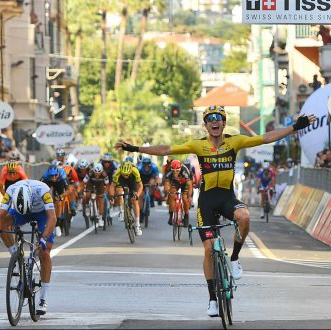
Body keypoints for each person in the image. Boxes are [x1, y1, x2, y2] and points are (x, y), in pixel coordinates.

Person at [115, 105, 315, 317]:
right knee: (209, 249)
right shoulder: (198, 145)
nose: (215, 122)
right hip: (207, 202)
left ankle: (235, 258)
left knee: (244, 217)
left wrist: (295, 127)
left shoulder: (235, 141)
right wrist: (134, 149)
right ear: (205, 125)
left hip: (227, 198)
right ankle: (212, 298)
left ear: (224, 123)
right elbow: (166, 150)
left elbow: (266, 138)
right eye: (210, 119)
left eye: (219, 118)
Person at [0, 179, 56, 315]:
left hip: (41, 213)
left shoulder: (43, 190)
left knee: (45, 252)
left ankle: (43, 299)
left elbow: (52, 217)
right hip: (20, 211)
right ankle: (16, 255)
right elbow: (0, 215)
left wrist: (43, 238)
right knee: (2, 226)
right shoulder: (11, 191)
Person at [109, 161, 144, 236]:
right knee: (119, 192)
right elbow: (112, 186)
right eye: (124, 174)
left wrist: (137, 194)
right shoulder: (118, 173)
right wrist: (111, 197)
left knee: (135, 201)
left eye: (127, 174)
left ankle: (137, 225)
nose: (125, 176)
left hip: (132, 181)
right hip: (121, 181)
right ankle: (121, 211)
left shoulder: (135, 171)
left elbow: (141, 186)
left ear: (130, 171)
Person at [40, 165, 70, 236]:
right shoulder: (45, 176)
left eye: (55, 175)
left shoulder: (62, 175)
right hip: (49, 183)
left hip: (60, 183)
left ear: (58, 174)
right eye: (51, 176)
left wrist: (60, 196)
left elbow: (68, 190)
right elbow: (39, 188)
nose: (53, 178)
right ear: (48, 174)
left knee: (58, 202)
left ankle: (57, 224)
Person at [164, 159, 192, 226]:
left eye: (177, 171)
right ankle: (171, 216)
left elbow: (190, 186)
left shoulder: (184, 171)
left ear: (180, 169)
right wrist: (168, 192)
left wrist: (189, 195)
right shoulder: (168, 171)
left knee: (185, 198)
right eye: (173, 171)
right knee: (172, 196)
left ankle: (186, 216)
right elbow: (167, 185)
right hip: (175, 183)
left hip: (185, 183)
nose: (175, 172)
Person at [80, 163, 109, 227]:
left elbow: (107, 185)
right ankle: (87, 205)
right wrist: (81, 189)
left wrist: (105, 193)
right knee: (87, 194)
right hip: (91, 183)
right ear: (93, 171)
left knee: (101, 199)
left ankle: (100, 218)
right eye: (95, 173)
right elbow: (84, 182)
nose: (97, 174)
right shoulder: (90, 173)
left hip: (100, 184)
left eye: (98, 173)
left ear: (101, 171)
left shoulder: (104, 174)